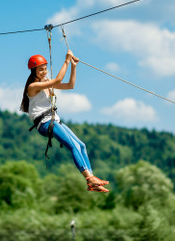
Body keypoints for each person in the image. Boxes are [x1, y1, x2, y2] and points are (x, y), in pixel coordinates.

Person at [20, 50, 109, 193]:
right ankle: (89, 178)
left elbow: (70, 85)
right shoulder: (33, 87)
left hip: (53, 120)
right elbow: (57, 81)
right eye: (40, 70)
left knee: (81, 145)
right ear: (33, 71)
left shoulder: (46, 84)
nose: (44, 72)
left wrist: (73, 66)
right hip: (45, 123)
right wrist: (66, 61)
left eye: (45, 69)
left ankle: (91, 180)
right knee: (73, 145)